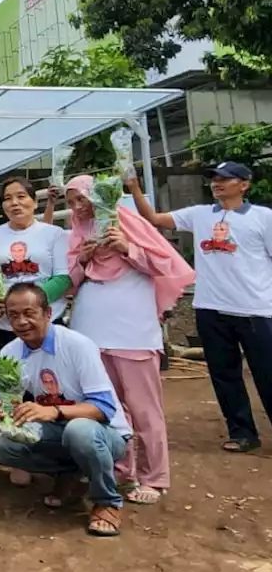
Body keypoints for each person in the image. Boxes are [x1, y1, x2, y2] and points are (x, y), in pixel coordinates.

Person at [126, 162, 272, 454]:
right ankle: (242, 432)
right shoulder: (200, 214)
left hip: (255, 310)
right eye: (214, 179)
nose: (217, 184)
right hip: (210, 308)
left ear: (244, 184)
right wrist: (134, 187)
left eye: (225, 179)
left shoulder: (263, 218)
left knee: (267, 373)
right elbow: (154, 218)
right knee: (223, 374)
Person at [66, 175, 192, 503]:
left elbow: (166, 263)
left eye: (82, 198)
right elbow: (68, 283)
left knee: (144, 407)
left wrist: (127, 248)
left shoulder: (127, 223)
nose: (78, 206)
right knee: (107, 407)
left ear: (98, 197)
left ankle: (154, 476)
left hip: (132, 331)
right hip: (90, 332)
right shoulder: (78, 234)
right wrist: (82, 259)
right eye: (71, 201)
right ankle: (122, 470)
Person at [0, 283, 132, 537]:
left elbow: (104, 407)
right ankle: (69, 475)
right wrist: (7, 414)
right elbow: (17, 404)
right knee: (1, 443)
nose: (21, 321)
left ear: (48, 313)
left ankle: (106, 502)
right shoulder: (10, 352)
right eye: (13, 315)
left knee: (80, 431)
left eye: (29, 313)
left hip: (105, 432)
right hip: (59, 429)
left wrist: (54, 411)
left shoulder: (78, 345)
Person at [0, 178, 71, 353]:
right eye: (7, 199)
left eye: (21, 196)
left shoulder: (54, 234)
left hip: (45, 323)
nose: (15, 203)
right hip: (2, 326)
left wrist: (23, 303)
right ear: (3, 207)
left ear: (34, 202)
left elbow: (63, 279)